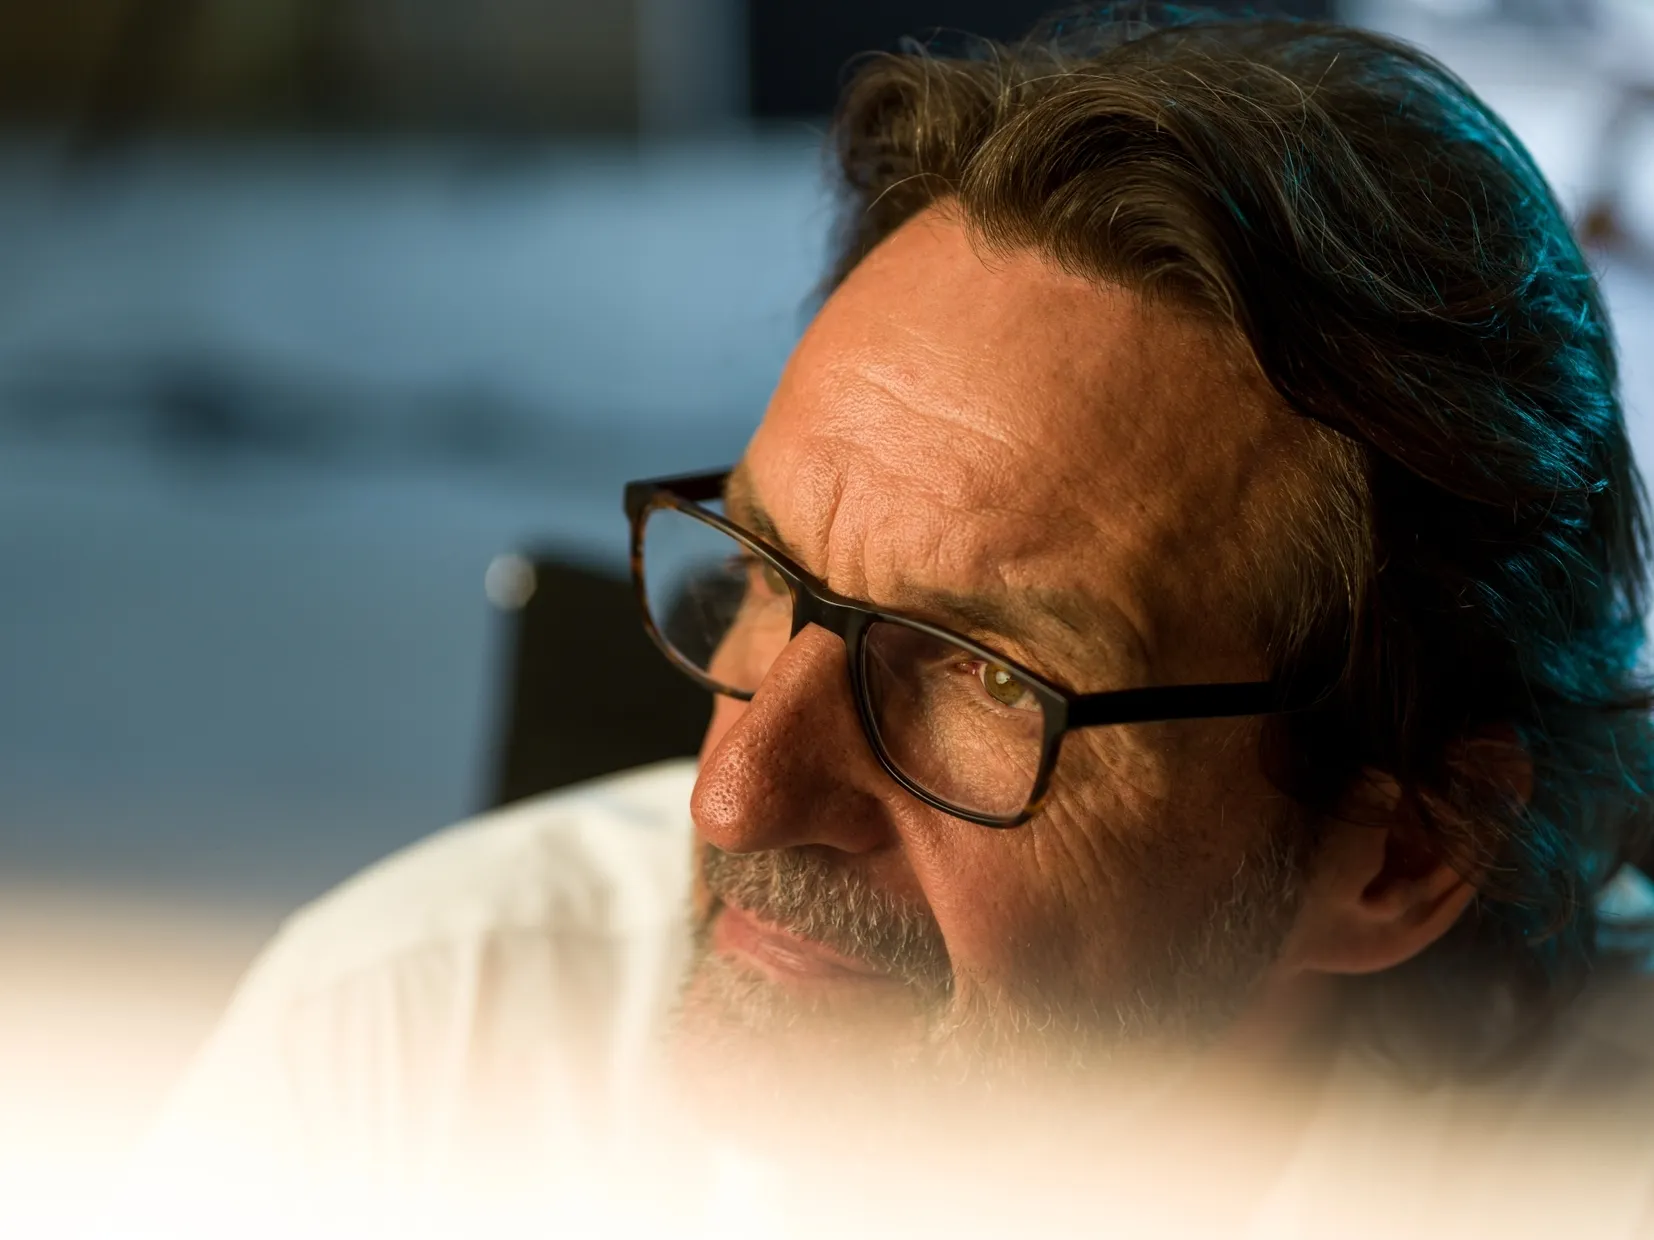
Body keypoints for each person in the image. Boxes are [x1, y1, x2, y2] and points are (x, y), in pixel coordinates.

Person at [130, 8, 1654, 1237]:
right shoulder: (401, 1065)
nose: (735, 793)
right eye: (765, 573)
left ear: (1402, 854)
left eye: (988, 675)